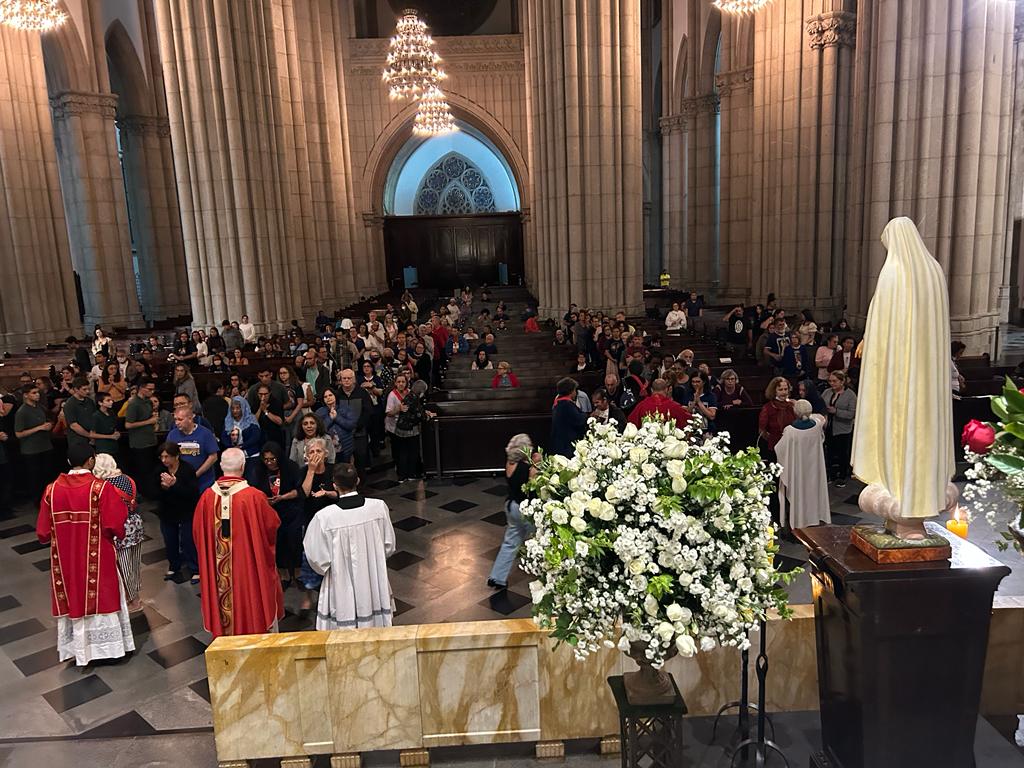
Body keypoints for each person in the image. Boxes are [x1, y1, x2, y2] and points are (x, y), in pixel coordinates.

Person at [36, 444, 134, 666]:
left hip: (66, 560)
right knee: (102, 595)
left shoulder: (51, 490)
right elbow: (114, 525)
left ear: (69, 462)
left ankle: (80, 650)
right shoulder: (100, 488)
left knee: (73, 595)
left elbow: (42, 532)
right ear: (91, 461)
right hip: (98, 557)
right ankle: (108, 650)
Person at [192, 447, 284, 638]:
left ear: (220, 466)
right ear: (243, 466)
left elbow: (197, 534)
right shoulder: (254, 496)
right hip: (248, 568)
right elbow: (272, 526)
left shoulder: (207, 498)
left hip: (218, 571)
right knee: (252, 598)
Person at [302, 463, 396, 630]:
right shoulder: (378, 507)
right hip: (372, 577)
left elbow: (316, 557)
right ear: (357, 480)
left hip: (340, 581)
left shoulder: (325, 517)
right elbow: (388, 545)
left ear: (334, 485)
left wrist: (330, 567)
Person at [93, 454, 144, 612]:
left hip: (120, 528)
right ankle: (136, 594)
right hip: (135, 523)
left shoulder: (105, 486)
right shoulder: (127, 479)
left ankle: (133, 600)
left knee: (124, 566)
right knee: (134, 563)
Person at [251, 442, 305, 590]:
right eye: (266, 459)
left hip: (291, 509)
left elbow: (300, 490)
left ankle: (298, 574)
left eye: (272, 459)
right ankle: (284, 575)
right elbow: (254, 491)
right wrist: (265, 500)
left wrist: (283, 497)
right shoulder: (258, 470)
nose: (269, 463)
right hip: (271, 512)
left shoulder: (291, 467)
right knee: (278, 543)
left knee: (294, 542)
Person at [487, 434, 538, 589]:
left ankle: (497, 577)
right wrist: (536, 465)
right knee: (540, 540)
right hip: (526, 509)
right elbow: (532, 489)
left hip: (511, 507)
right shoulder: (529, 469)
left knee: (510, 542)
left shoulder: (510, 464)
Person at [774, 399, 831, 533]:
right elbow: (821, 418)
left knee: (799, 494)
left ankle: (799, 521)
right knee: (814, 492)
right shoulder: (817, 426)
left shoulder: (790, 431)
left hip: (798, 470)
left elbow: (779, 448)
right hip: (814, 468)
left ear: (795, 413)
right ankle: (815, 518)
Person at [156, 442, 201, 583]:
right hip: (167, 511)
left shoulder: (187, 469)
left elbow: (192, 493)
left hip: (186, 511)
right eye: (162, 457)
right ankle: (174, 566)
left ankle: (195, 569)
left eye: (167, 457)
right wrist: (163, 488)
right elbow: (152, 491)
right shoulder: (159, 469)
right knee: (170, 540)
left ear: (176, 456)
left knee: (188, 541)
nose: (164, 460)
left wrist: (174, 485)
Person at [167, 406, 220, 497]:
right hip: (181, 481)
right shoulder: (172, 435)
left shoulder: (205, 433)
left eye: (180, 419)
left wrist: (196, 474)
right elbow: (168, 456)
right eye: (175, 419)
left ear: (190, 418)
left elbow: (213, 457)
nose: (177, 423)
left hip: (204, 482)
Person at [15, 384, 55, 504]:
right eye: (34, 393)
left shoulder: (40, 407)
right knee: (35, 477)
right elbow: (18, 433)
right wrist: (39, 428)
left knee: (47, 475)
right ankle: (37, 501)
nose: (37, 395)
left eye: (37, 392)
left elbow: (47, 420)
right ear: (26, 395)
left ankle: (48, 498)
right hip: (31, 449)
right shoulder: (22, 412)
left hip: (45, 446)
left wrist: (48, 425)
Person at [125, 381, 159, 498]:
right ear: (141, 388)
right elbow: (128, 424)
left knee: (151, 470)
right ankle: (144, 495)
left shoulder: (148, 402)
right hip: (139, 443)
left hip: (150, 440)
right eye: (149, 389)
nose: (152, 392)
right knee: (143, 471)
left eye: (153, 389)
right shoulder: (134, 404)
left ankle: (151, 493)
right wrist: (149, 421)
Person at [825, 371, 858, 487]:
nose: (832, 384)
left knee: (842, 453)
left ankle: (842, 476)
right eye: (830, 381)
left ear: (842, 381)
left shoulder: (850, 395)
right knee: (830, 452)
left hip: (843, 429)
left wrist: (836, 411)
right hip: (828, 427)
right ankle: (831, 474)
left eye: (835, 381)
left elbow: (852, 414)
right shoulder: (827, 392)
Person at [627, 378, 692, 429]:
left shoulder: (641, 405)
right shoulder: (674, 406)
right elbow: (687, 422)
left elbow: (631, 423)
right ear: (666, 389)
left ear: (651, 390)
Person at [758, 377, 795, 462]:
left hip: (791, 446)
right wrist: (772, 439)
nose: (784, 392)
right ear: (774, 391)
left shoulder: (792, 406)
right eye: (780, 390)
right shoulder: (768, 408)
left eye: (786, 389)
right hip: (775, 447)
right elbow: (762, 430)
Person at [550, 378, 590, 458]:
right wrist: (588, 416)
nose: (575, 393)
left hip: (560, 444)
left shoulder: (559, 404)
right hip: (567, 446)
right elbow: (579, 420)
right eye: (575, 390)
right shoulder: (567, 405)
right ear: (571, 391)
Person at [317, 387, 358, 464]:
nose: (328, 398)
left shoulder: (346, 408)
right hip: (328, 448)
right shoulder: (319, 412)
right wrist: (330, 418)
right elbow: (319, 430)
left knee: (346, 468)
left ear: (335, 396)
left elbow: (351, 425)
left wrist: (337, 417)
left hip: (345, 446)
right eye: (325, 397)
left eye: (330, 395)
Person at [222, 396, 263, 470]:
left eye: (238, 408)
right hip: (234, 457)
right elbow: (224, 437)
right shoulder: (228, 421)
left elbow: (255, 437)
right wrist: (232, 448)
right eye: (233, 408)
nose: (235, 411)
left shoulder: (251, 420)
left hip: (251, 456)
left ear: (243, 408)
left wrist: (241, 447)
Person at [62, 377, 96, 452]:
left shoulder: (90, 401)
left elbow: (94, 418)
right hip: (77, 440)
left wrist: (93, 433)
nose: (87, 391)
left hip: (92, 438)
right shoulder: (70, 404)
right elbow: (74, 425)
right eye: (84, 389)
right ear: (76, 389)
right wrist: (90, 435)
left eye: (88, 389)